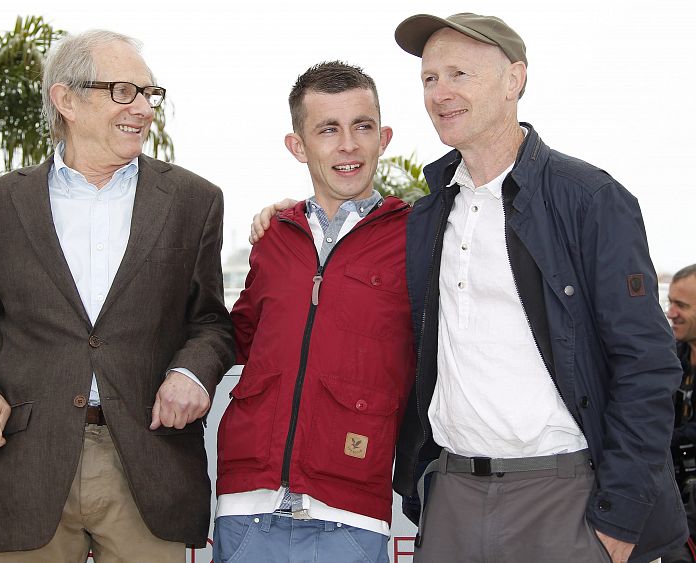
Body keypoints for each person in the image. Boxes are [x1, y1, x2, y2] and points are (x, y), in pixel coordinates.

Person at [251, 12, 687, 563]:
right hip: (451, 496)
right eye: (430, 79)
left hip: (566, 500)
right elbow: (350, 258)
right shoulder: (429, 215)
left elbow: (646, 363)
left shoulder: (589, 199)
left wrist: (620, 519)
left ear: (514, 80)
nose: (440, 93)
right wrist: (287, 215)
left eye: (459, 73)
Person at [0, 30, 234, 561]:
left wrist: (191, 373)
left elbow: (210, 322)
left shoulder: (194, 200)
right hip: (26, 466)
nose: (143, 108)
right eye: (124, 91)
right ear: (65, 99)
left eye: (149, 94)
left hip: (149, 462)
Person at [212, 61, 415, 563]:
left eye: (362, 126)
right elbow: (237, 338)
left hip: (351, 513)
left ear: (383, 137)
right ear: (298, 146)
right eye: (328, 129)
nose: (348, 145)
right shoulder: (274, 237)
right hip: (245, 507)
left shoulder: (417, 238)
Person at [664, 265, 696, 563]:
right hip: (673, 503)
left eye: (682, 305)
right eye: (670, 302)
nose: (671, 312)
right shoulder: (672, 359)